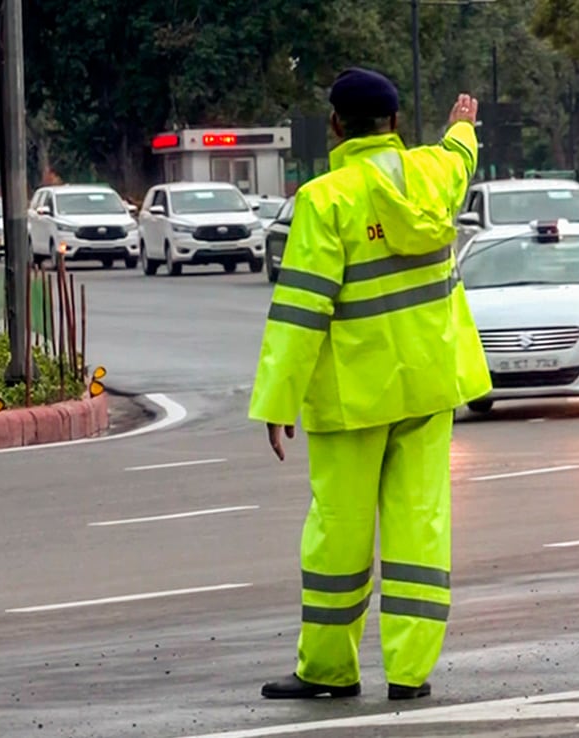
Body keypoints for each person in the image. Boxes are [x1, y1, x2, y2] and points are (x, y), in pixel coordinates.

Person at [249, 67, 492, 702]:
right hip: (430, 384)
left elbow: (302, 312)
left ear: (335, 126)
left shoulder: (325, 200)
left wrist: (277, 401)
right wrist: (462, 128)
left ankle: (329, 670)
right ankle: (410, 674)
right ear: (395, 125)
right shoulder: (432, 179)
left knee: (340, 531)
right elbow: (456, 161)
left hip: (352, 398)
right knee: (421, 525)